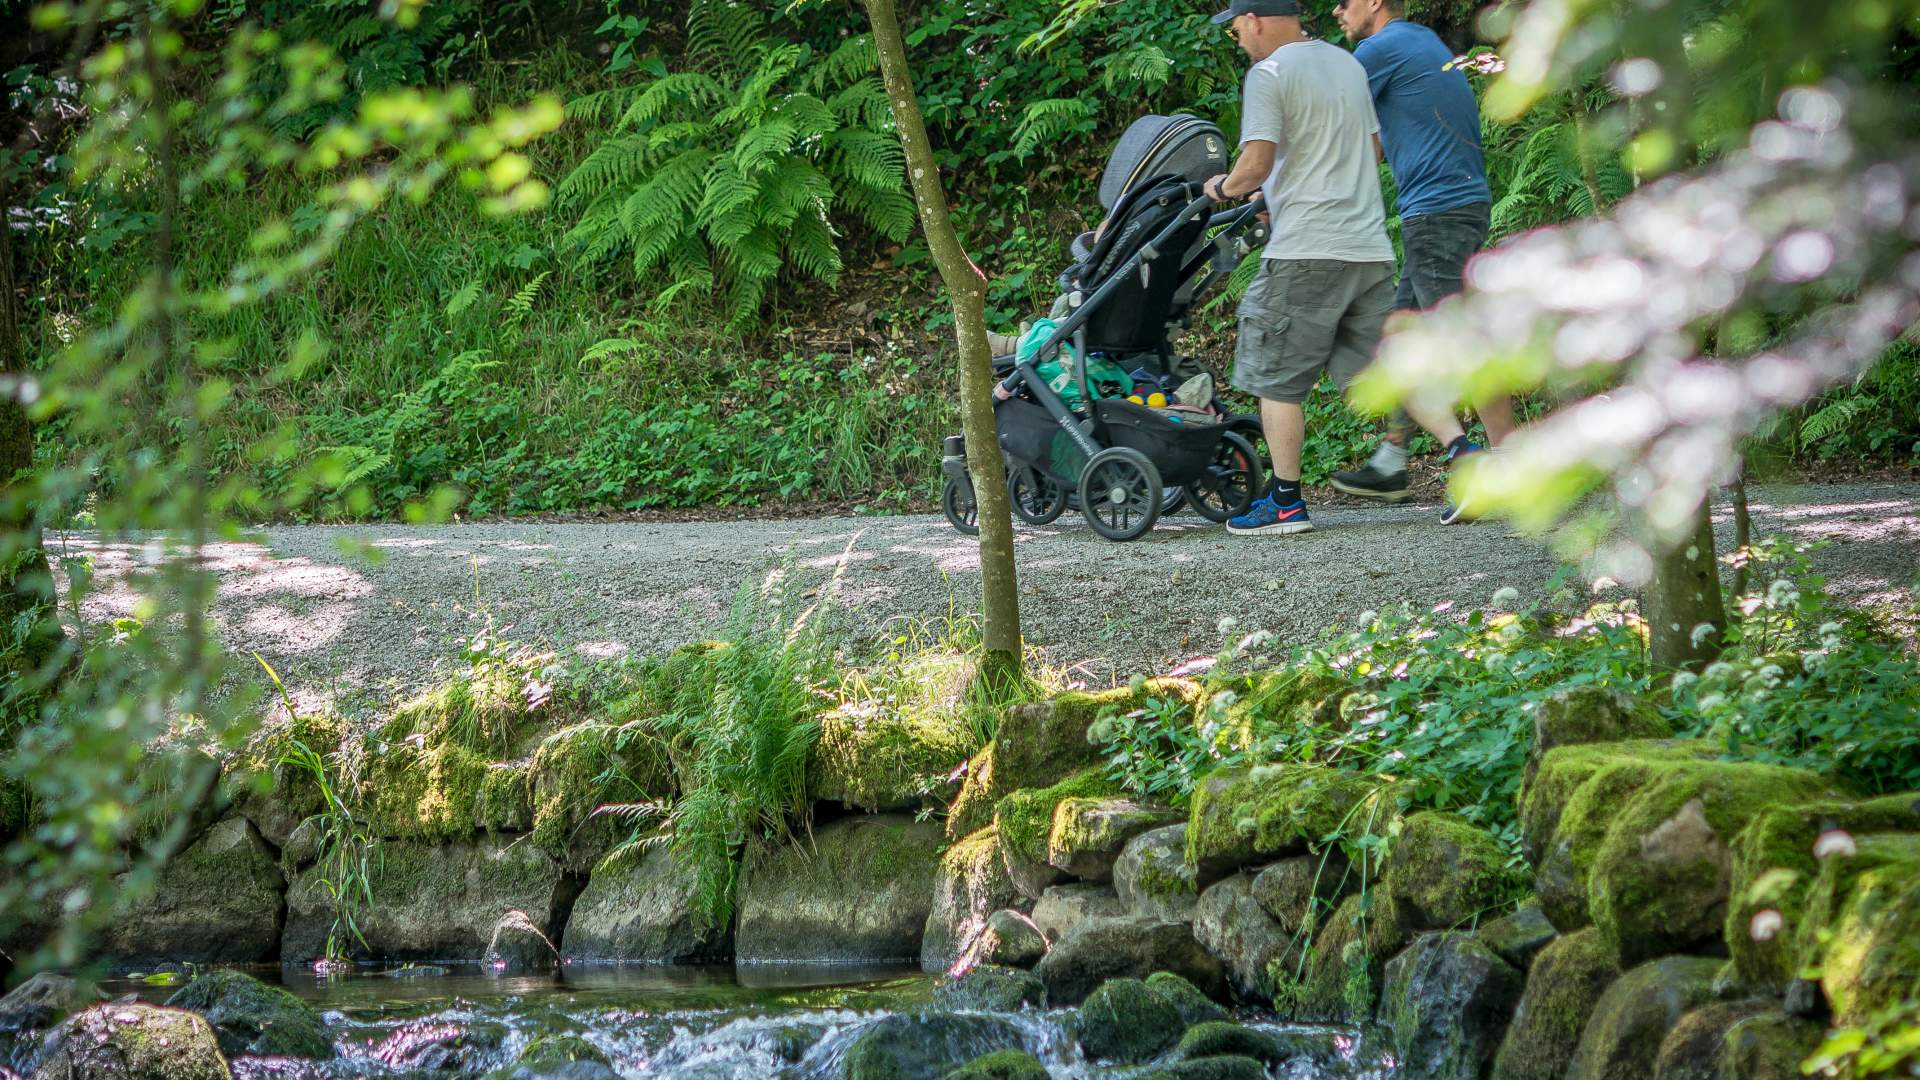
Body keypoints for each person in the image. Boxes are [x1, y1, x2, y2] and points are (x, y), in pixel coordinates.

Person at [1203, 0, 1471, 535]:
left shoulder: (1268, 73)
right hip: (1367, 247)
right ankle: (1466, 455)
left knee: (1275, 374)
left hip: (1306, 249)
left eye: (1236, 30)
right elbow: (1372, 149)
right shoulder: (1347, 64)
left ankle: (1284, 503)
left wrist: (1222, 189)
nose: (1239, 40)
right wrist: (1288, 187)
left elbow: (1256, 161)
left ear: (1254, 20)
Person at [1328, 0, 1514, 522]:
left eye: (1344, 2)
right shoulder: (1423, 43)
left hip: (1437, 213)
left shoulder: (1377, 49)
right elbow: (1371, 150)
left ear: (1374, 3)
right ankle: (1391, 460)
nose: (1337, 11)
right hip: (1457, 206)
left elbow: (1327, 120)